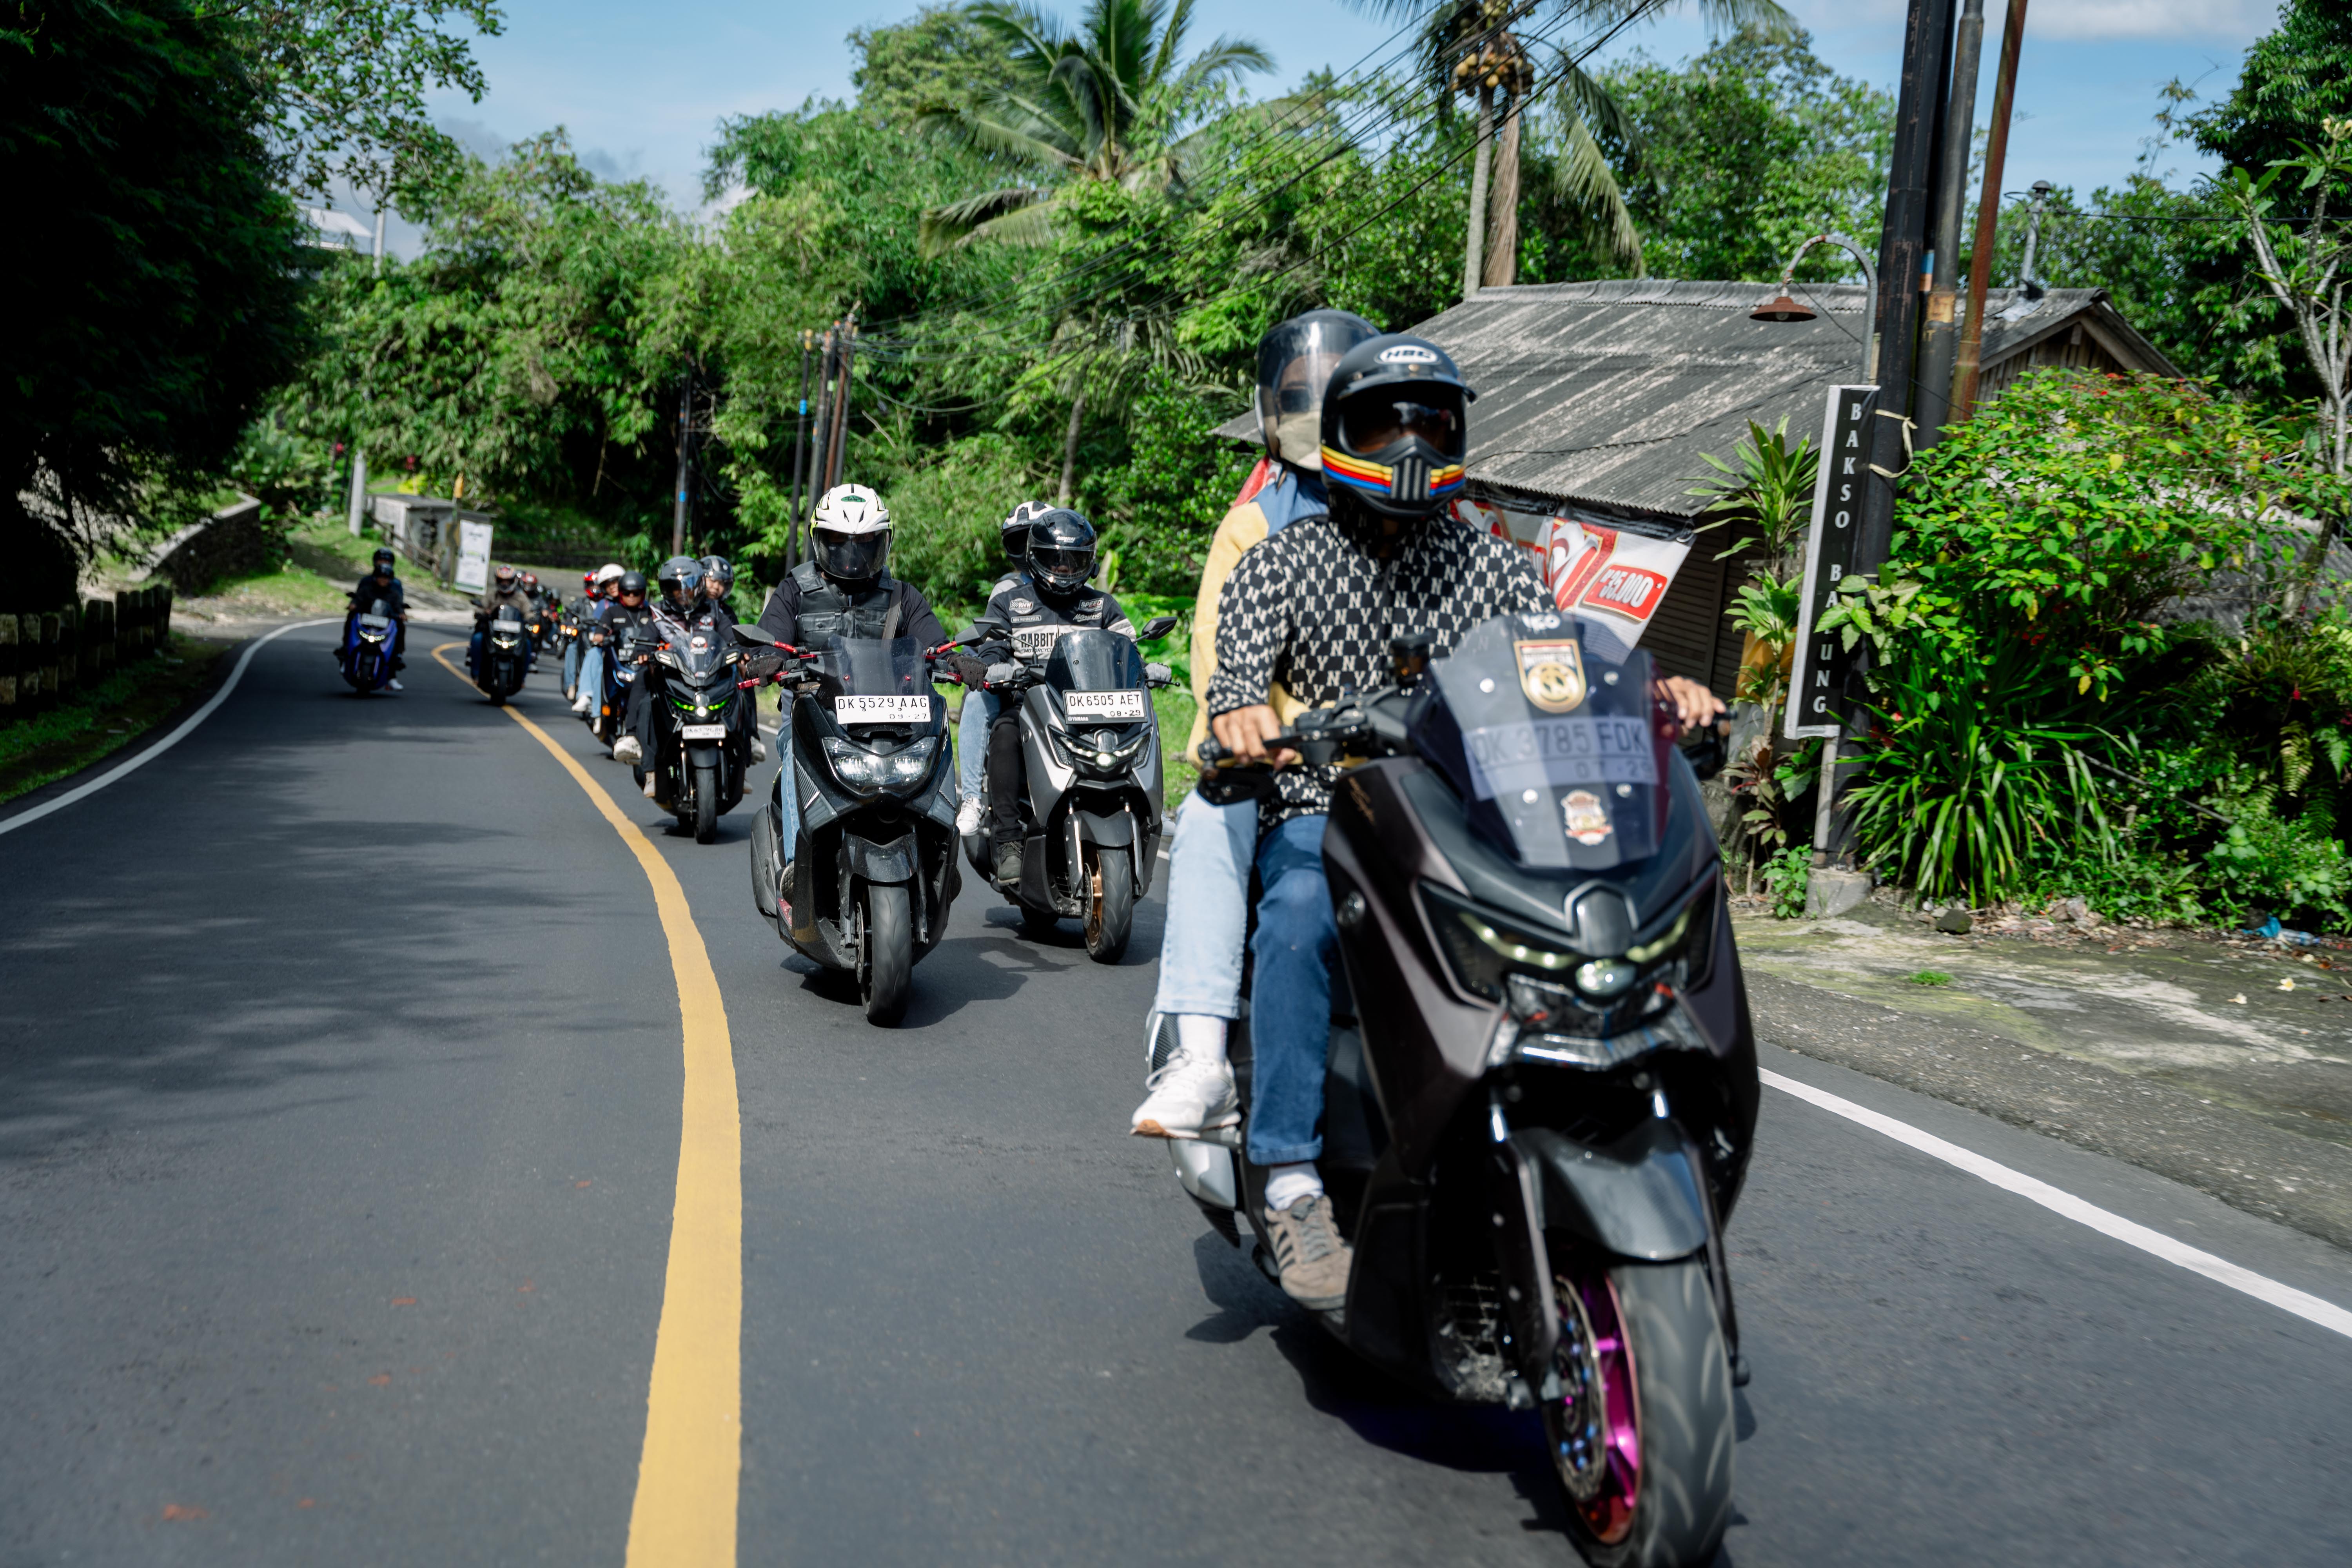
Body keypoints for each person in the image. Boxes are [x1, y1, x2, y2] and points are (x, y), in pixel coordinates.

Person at [1192, 334, 1725, 1310]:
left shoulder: (1500, 568)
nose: (1407, 442)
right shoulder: (1281, 561)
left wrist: (1661, 690)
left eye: (1429, 420)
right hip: (1337, 808)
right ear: (1340, 436)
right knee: (1299, 915)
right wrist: (1244, 718)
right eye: (1385, 420)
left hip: (1480, 822)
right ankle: (1292, 1179)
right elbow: (1233, 681)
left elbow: (1570, 662)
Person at [1129, 309, 1378, 1145]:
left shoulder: (1438, 528)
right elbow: (1223, 674)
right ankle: (1203, 1054)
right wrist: (1275, 725)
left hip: (1408, 784)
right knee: (1207, 816)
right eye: (1301, 399)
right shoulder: (1258, 526)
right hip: (1292, 776)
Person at [754, 484, 947, 880]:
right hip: (815, 713)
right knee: (793, 750)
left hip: (893, 718)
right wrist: (766, 660)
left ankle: (939, 854)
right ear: (819, 541)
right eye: (839, 543)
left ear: (884, 544)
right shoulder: (795, 590)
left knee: (936, 746)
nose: (853, 556)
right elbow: (769, 636)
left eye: (865, 544)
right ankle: (796, 866)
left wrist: (958, 661)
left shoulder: (901, 597)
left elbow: (936, 644)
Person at [966, 508, 1136, 887]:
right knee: (1005, 735)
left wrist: (1149, 665)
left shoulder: (1102, 606)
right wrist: (995, 666)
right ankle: (1008, 840)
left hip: (1094, 713)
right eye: (1054, 560)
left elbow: (1130, 648)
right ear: (1034, 557)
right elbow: (991, 647)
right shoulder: (1010, 603)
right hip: (1032, 710)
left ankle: (1141, 812)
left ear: (1088, 563)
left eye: (1073, 561)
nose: (1062, 569)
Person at [954, 499, 1052, 837]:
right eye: (1019, 541)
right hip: (1020, 690)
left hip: (1068, 694)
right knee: (978, 696)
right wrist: (997, 667)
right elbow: (993, 641)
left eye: (1034, 538)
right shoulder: (1007, 591)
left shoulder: (1077, 589)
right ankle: (971, 797)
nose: (1027, 550)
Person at [613, 557, 717, 769]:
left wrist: (742, 651)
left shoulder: (713, 610)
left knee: (738, 677)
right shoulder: (659, 614)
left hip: (709, 674)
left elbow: (731, 636)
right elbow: (646, 640)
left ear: (698, 586)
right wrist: (642, 652)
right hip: (672, 676)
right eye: (675, 588)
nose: (682, 593)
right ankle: (632, 737)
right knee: (642, 677)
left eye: (686, 587)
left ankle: (748, 743)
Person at [344, 546, 410, 691]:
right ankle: (345, 647)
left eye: (386, 561)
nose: (383, 563)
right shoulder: (366, 583)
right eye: (381, 560)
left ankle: (396, 658)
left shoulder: (395, 587)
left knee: (400, 626)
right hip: (366, 617)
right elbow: (359, 597)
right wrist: (354, 605)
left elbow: (398, 603)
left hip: (386, 618)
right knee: (351, 617)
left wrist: (401, 613)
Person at [571, 563, 627, 715]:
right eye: (608, 585)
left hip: (631, 650)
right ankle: (587, 697)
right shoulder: (604, 604)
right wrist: (600, 637)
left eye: (616, 582)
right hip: (611, 648)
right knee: (594, 654)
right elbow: (598, 628)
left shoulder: (634, 600)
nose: (613, 587)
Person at [469, 563, 537, 676]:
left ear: (514, 581)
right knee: (477, 639)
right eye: (502, 581)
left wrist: (531, 619)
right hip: (493, 633)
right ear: (497, 581)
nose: (505, 584)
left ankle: (522, 677)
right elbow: (481, 607)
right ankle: (476, 673)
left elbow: (528, 612)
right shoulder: (492, 595)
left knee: (528, 644)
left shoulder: (521, 597)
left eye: (508, 581)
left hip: (514, 635)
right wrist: (481, 613)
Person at [698, 555, 739, 626]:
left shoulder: (727, 612)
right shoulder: (691, 606)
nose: (717, 587)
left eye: (722, 584)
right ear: (701, 580)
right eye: (713, 581)